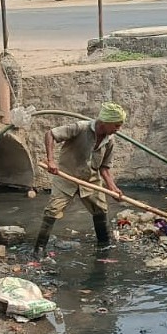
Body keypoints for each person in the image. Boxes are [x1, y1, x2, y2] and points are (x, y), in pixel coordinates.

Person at [34, 103, 127, 258]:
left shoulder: (110, 140)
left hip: (90, 180)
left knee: (101, 209)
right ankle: (39, 248)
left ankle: (104, 246)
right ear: (105, 122)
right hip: (66, 177)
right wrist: (51, 160)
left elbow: (104, 167)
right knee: (52, 210)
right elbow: (50, 134)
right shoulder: (80, 128)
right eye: (116, 125)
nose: (118, 129)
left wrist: (112, 187)